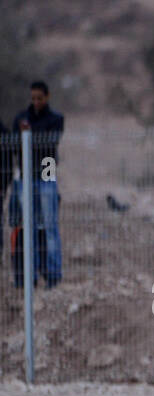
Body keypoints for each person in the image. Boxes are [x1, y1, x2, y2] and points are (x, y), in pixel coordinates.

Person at [13, 80, 64, 287]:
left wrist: (29, 136)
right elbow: (17, 146)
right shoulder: (21, 118)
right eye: (33, 98)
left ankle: (53, 274)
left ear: (47, 97)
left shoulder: (56, 119)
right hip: (27, 176)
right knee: (30, 228)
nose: (36, 102)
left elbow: (49, 145)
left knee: (50, 226)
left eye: (39, 98)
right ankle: (30, 275)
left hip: (47, 172)